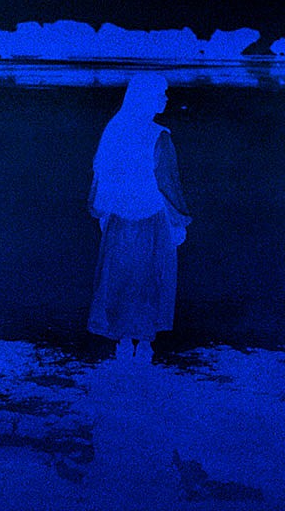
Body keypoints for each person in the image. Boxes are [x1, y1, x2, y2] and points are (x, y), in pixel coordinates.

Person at [87, 73, 191, 361]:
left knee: (121, 275)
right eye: (161, 94)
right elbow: (168, 184)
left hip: (120, 217)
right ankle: (144, 341)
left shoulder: (115, 129)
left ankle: (123, 340)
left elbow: (102, 177)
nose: (165, 99)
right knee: (148, 277)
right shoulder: (159, 136)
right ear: (146, 97)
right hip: (151, 217)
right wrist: (178, 220)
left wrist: (104, 211)